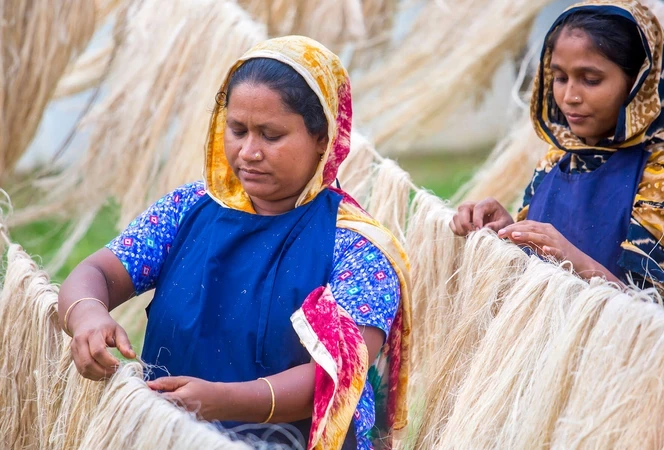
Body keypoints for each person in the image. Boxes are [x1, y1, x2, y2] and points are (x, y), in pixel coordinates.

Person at [58, 36, 411, 450]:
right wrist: (87, 317)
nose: (248, 152)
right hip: (165, 437)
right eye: (237, 130)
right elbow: (97, 272)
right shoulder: (188, 210)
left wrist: (222, 400)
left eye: (271, 135)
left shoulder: (355, 247)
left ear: (324, 137)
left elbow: (337, 371)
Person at [451, 0, 664, 328]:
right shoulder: (553, 166)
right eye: (559, 77)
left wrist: (576, 261)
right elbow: (537, 279)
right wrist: (506, 233)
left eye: (591, 79)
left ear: (637, 83)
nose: (570, 95)